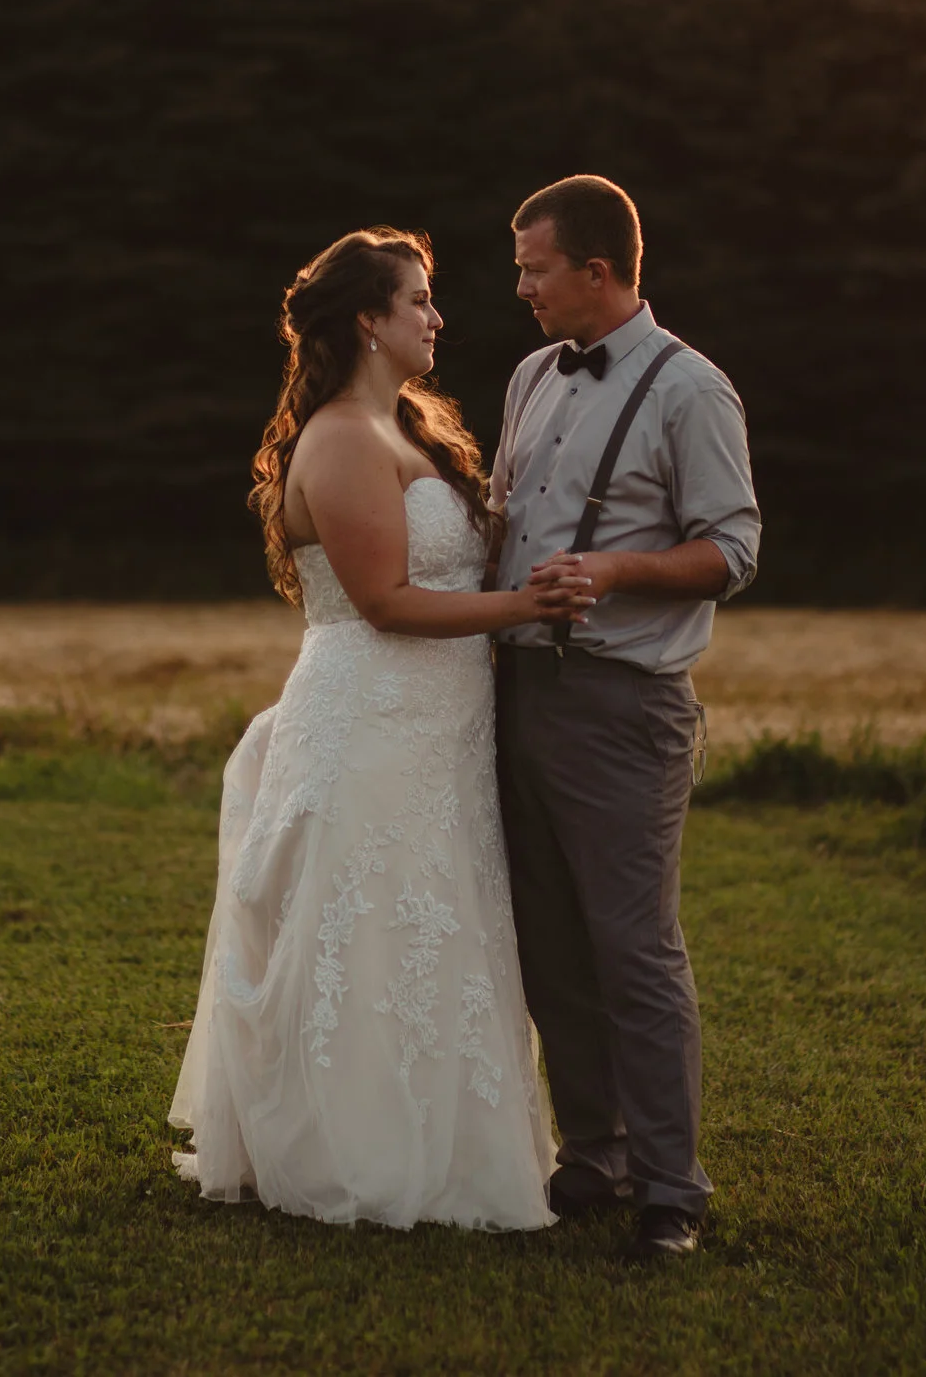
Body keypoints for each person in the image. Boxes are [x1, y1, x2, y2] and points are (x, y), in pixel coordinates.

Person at [170, 226, 585, 1230]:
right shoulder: (345, 438)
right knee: (366, 929)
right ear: (367, 318)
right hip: (369, 719)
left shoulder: (408, 427)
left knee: (435, 922)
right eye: (419, 299)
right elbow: (386, 601)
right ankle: (355, 1152)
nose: (437, 317)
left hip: (437, 728)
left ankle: (447, 1148)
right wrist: (527, 608)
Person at [493, 175, 763, 1261]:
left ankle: (669, 1187)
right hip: (516, 693)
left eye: (534, 269)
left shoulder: (692, 388)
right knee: (550, 945)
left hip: (623, 703)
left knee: (633, 950)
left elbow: (733, 550)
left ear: (596, 271)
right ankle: (593, 1153)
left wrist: (612, 569)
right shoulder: (528, 375)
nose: (520, 288)